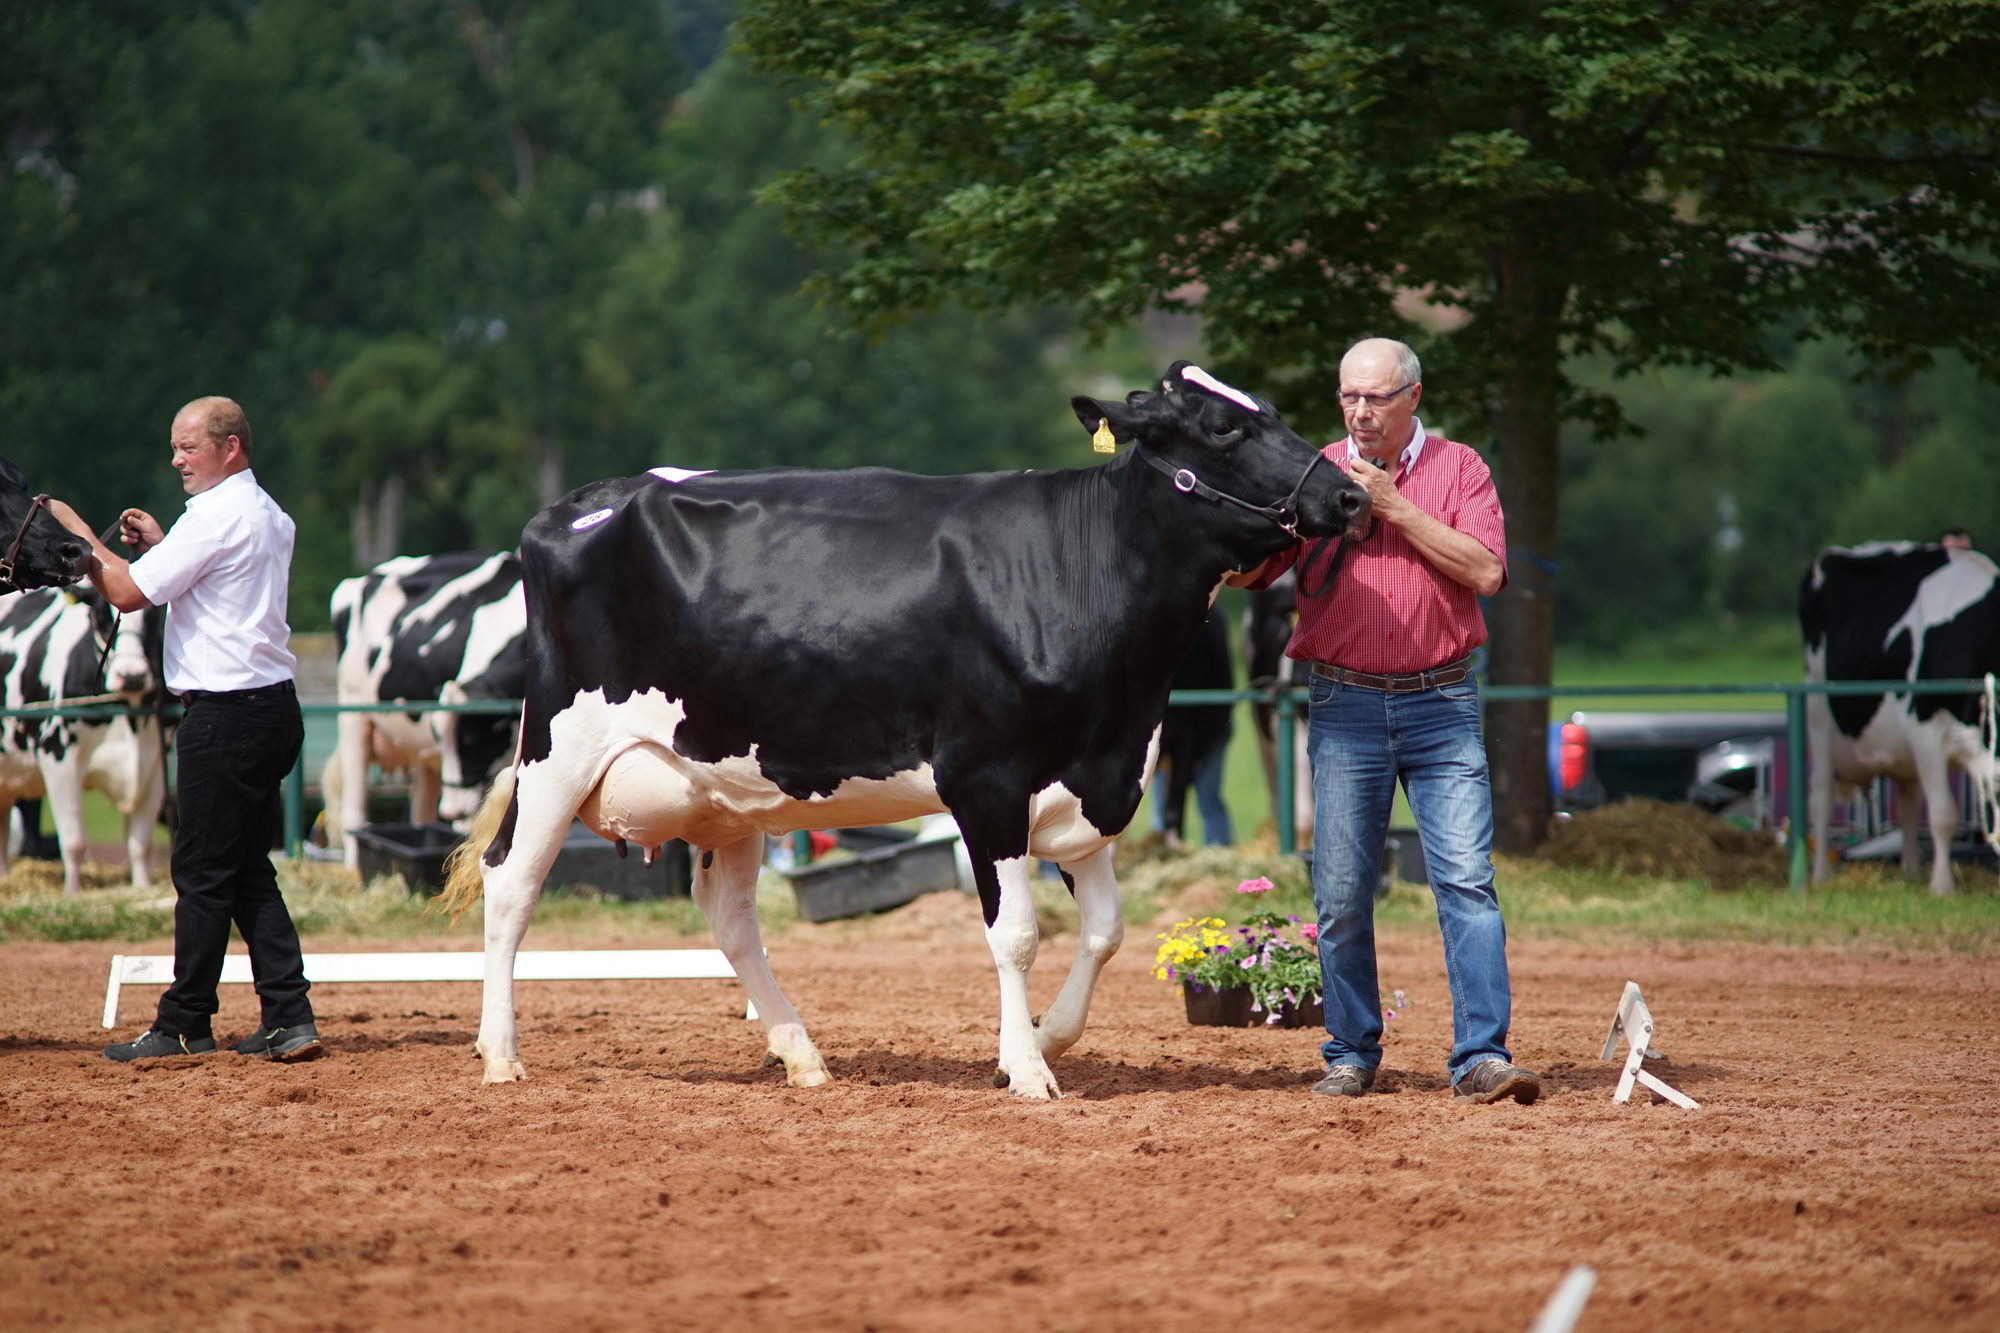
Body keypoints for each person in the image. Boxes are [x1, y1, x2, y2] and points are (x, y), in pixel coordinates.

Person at [1230, 338, 1538, 1105]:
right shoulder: (1315, 471)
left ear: (1413, 397)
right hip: (1345, 703)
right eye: (1348, 398)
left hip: (1443, 702)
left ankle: (1481, 1058)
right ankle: (1350, 1053)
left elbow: (1487, 571)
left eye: (1374, 398)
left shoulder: (1461, 469)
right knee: (1338, 892)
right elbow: (1250, 572)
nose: (1359, 412)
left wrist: (1394, 509)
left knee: (1466, 882)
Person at [48, 397, 324, 1063]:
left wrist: (79, 535)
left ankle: (183, 1022)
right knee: (243, 868)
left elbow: (126, 593)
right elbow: (218, 585)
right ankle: (289, 1015)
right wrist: (168, 548)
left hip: (225, 714)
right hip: (272, 708)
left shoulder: (214, 516)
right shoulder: (267, 514)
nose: (176, 460)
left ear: (230, 448)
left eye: (189, 447)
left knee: (200, 870)